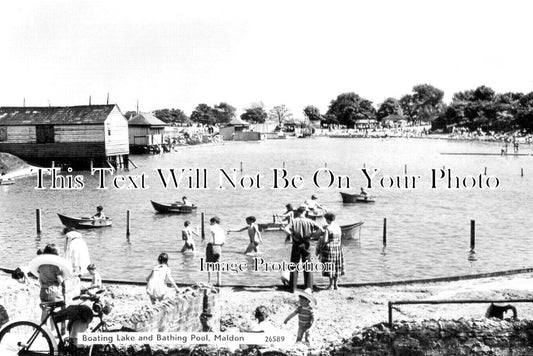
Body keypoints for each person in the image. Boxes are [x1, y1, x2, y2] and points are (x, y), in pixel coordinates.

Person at [284, 206, 324, 292]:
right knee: (308, 265)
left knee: (294, 265)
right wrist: (312, 236)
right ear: (305, 212)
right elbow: (321, 230)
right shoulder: (310, 221)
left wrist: (291, 234)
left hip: (296, 243)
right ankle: (309, 287)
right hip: (306, 243)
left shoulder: (294, 221)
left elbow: (285, 229)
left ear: (298, 212)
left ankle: (293, 288)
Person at [37, 244, 65, 323]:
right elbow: (60, 280)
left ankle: (43, 329)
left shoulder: (40, 266)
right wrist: (62, 277)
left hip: (43, 291)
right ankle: (62, 328)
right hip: (53, 291)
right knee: (63, 306)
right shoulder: (55, 267)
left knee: (45, 309)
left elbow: (39, 279)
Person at [317, 213, 345, 290]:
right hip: (338, 247)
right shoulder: (338, 227)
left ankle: (330, 285)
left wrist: (320, 246)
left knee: (330, 266)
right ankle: (336, 285)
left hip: (329, 248)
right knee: (336, 266)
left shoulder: (328, 228)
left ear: (328, 219)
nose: (326, 221)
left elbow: (325, 240)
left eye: (326, 219)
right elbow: (340, 238)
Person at [204, 216, 226, 286]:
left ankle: (209, 281)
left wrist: (213, 243)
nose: (210, 223)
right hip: (219, 246)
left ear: (213, 221)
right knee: (218, 264)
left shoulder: (212, 227)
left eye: (210, 222)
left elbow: (213, 233)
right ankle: (219, 281)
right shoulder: (221, 229)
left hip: (211, 245)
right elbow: (223, 242)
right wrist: (218, 246)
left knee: (209, 264)